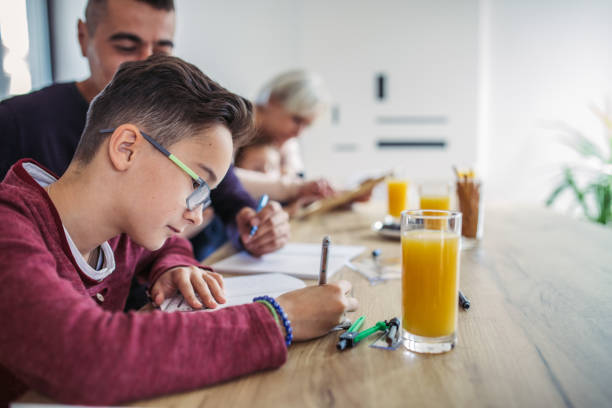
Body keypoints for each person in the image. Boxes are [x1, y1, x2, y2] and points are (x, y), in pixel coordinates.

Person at [0, 55, 358, 406]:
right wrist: (280, 318)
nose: (198, 214)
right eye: (197, 185)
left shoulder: (120, 225)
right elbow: (85, 355)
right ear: (127, 149)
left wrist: (173, 266)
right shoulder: (9, 228)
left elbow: (163, 248)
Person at [0, 0, 288, 262]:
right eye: (126, 46)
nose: (148, 62)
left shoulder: (186, 124)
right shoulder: (15, 121)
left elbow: (229, 198)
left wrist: (254, 227)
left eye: (162, 50)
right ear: (83, 36)